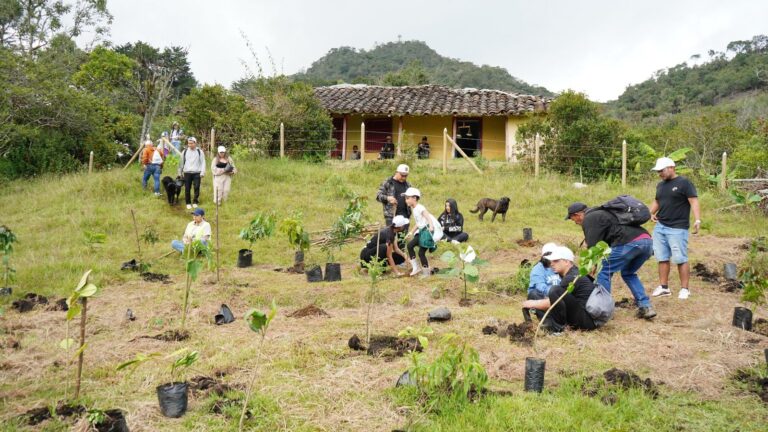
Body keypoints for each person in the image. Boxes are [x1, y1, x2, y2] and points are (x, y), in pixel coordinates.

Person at [566, 201, 656, 319]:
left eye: (573, 219)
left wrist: (592, 265)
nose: (575, 222)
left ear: (578, 214)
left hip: (629, 243)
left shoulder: (589, 218)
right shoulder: (603, 214)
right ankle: (645, 306)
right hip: (646, 241)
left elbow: (593, 247)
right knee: (628, 273)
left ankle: (604, 309)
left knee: (604, 271)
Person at [649, 157, 701, 300]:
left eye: (662, 170)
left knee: (680, 258)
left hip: (678, 228)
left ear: (672, 167)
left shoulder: (684, 183)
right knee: (662, 257)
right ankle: (664, 287)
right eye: (658, 171)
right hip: (660, 227)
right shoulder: (660, 185)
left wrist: (697, 219)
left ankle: (685, 289)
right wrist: (650, 213)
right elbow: (657, 201)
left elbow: (693, 201)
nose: (660, 173)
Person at [522, 246, 597, 332]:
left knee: (555, 290)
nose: (552, 263)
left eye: (556, 260)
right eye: (552, 260)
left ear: (566, 262)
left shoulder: (571, 277)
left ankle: (557, 328)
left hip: (586, 321)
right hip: (582, 316)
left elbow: (552, 303)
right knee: (536, 293)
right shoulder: (573, 272)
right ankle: (551, 324)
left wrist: (532, 303)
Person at [404, 187, 443, 277]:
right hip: (421, 231)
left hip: (427, 232)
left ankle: (426, 273)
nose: (406, 200)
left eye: (407, 198)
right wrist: (411, 233)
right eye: (406, 198)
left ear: (414, 198)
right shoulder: (414, 209)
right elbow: (418, 223)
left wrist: (431, 226)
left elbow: (428, 216)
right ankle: (416, 267)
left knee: (421, 253)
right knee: (410, 246)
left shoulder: (420, 207)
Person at [178, 137, 205, 210]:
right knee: (187, 188)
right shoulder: (185, 151)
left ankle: (195, 202)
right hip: (187, 172)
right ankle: (188, 203)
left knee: (196, 187)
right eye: (188, 143)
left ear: (195, 143)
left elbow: (203, 162)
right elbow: (181, 162)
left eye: (191, 143)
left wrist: (202, 172)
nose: (189, 145)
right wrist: (180, 172)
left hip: (197, 172)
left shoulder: (200, 151)